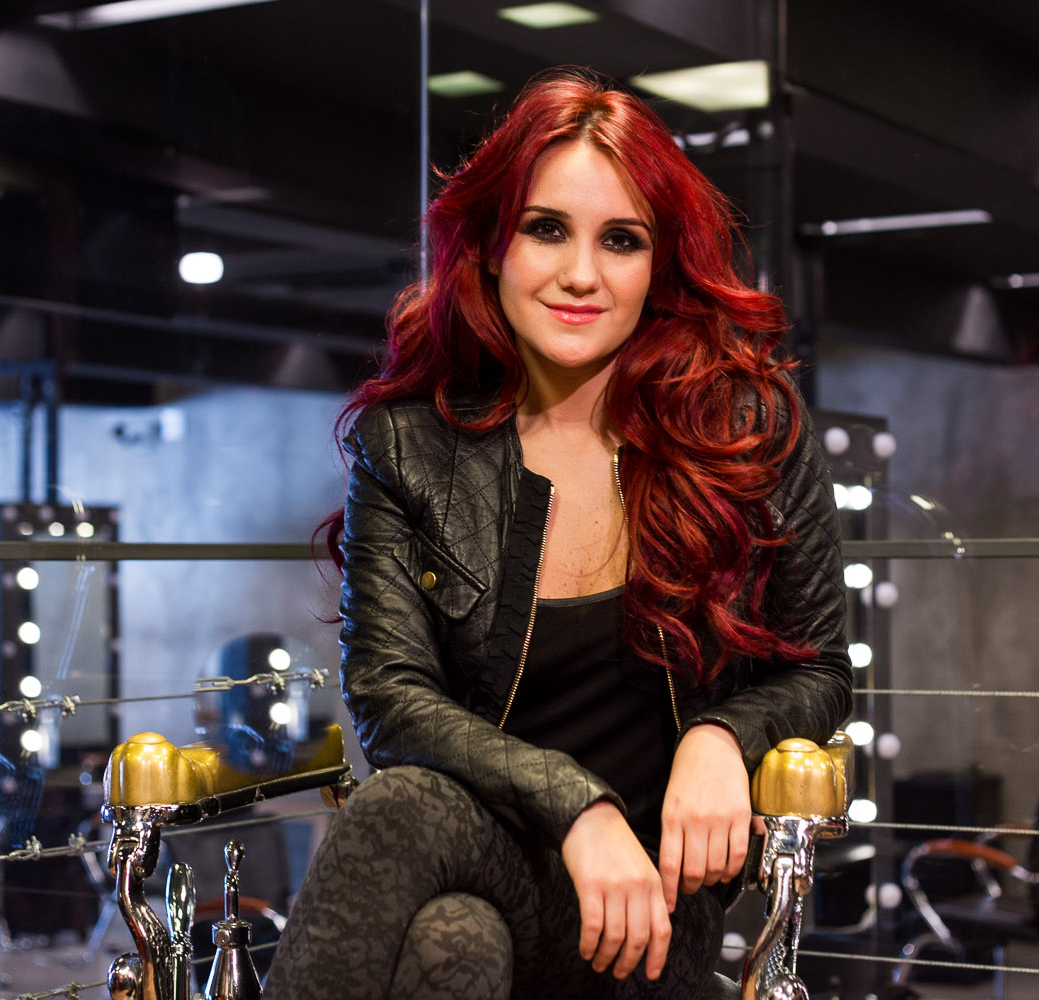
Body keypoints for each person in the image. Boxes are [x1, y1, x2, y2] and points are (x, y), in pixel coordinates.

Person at [265, 67, 852, 1000]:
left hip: (651, 908)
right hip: (488, 852)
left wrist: (722, 736)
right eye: (546, 229)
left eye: (621, 240)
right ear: (491, 246)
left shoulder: (748, 425)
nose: (582, 273)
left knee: (434, 907)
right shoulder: (408, 444)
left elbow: (821, 669)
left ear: (659, 264)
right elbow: (388, 696)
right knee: (445, 917)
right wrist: (577, 807)